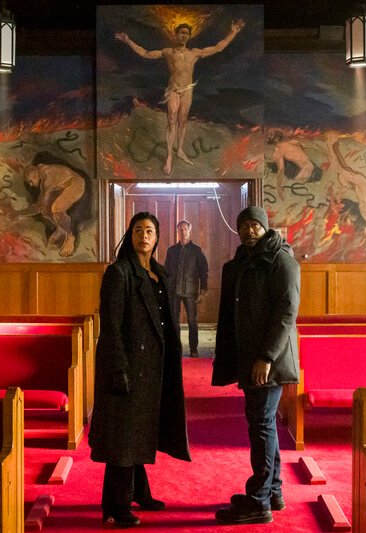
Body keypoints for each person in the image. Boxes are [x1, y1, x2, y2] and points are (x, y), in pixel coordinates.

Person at [88, 211, 191, 528]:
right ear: (130, 236)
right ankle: (116, 506)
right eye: (137, 230)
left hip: (155, 368)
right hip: (129, 367)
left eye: (149, 230)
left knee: (138, 432)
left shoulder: (159, 273)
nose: (144, 235)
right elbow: (112, 327)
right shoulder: (119, 273)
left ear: (158, 237)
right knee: (123, 438)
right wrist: (118, 369)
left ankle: (140, 493)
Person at [212, 206, 300, 525]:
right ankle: (272, 491)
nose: (248, 231)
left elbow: (286, 314)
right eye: (243, 226)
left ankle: (259, 501)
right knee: (264, 424)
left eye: (254, 225)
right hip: (252, 358)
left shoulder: (281, 261)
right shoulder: (243, 261)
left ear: (264, 228)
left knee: (261, 425)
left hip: (269, 361)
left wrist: (265, 356)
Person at [115, 19, 245, 175]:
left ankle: (180, 150)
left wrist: (233, 32)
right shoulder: (168, 52)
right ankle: (169, 156)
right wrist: (128, 41)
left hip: (187, 90)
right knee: (171, 120)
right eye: (181, 33)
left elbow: (219, 47)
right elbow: (145, 53)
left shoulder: (194, 53)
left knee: (182, 121)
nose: (184, 35)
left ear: (189, 36)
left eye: (186, 33)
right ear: (176, 35)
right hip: (174, 90)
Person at [164, 220, 209, 357]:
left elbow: (203, 271)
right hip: (174, 291)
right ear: (177, 232)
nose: (182, 232)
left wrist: (203, 290)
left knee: (192, 321)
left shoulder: (196, 251)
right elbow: (166, 271)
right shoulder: (171, 251)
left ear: (190, 230)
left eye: (185, 229)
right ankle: (176, 348)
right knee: (174, 321)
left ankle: (193, 349)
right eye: (180, 229)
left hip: (190, 291)